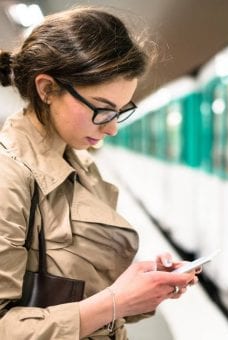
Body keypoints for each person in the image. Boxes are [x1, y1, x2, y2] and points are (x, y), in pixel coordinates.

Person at [0, 7, 200, 339]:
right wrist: (115, 302)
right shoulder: (8, 177)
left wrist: (144, 286)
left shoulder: (80, 163)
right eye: (102, 110)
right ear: (47, 89)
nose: (111, 129)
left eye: (120, 112)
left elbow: (80, 292)